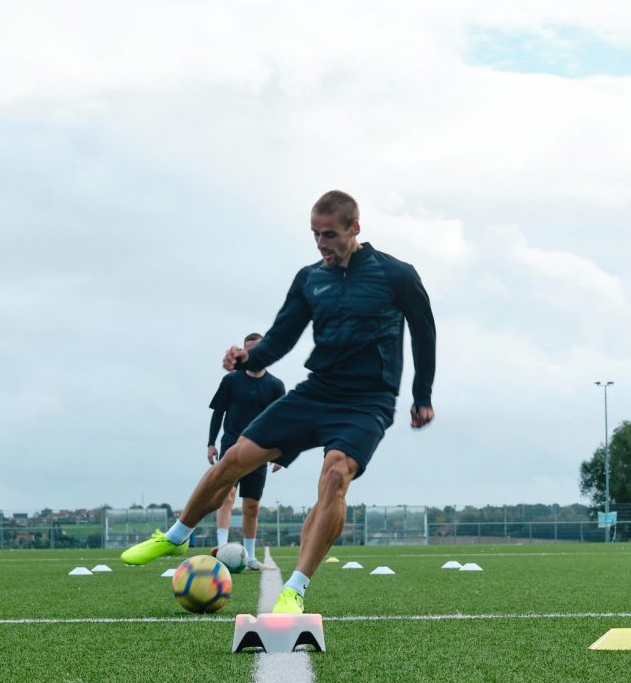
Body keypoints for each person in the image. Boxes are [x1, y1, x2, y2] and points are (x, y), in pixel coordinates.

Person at [122, 189, 436, 614]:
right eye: (314, 235)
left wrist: (422, 396)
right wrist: (248, 357)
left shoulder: (396, 274)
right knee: (235, 457)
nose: (322, 244)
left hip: (367, 401)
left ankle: (295, 589)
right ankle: (176, 535)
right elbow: (283, 335)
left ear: (354, 229)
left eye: (329, 234)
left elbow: (424, 332)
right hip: (317, 390)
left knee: (334, 477)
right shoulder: (310, 278)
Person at [207, 332, 286, 568]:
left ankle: (250, 557)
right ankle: (222, 550)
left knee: (252, 505)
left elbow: (281, 420)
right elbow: (218, 412)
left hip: (259, 450)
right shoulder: (231, 381)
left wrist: (282, 452)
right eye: (248, 349)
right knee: (226, 497)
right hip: (231, 446)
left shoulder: (275, 385)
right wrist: (211, 443)